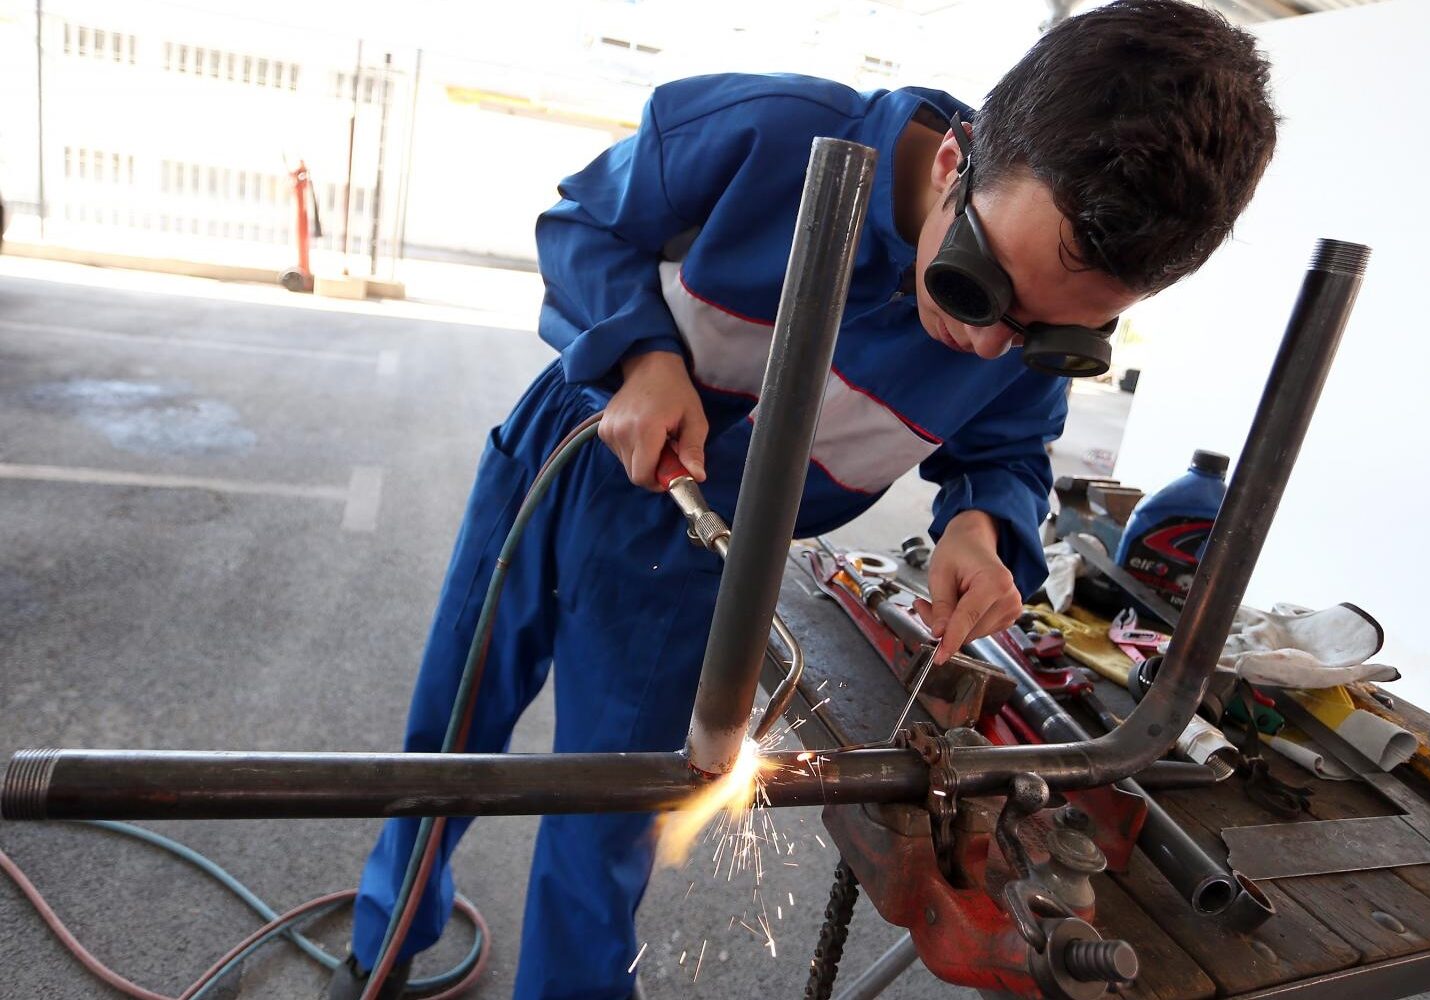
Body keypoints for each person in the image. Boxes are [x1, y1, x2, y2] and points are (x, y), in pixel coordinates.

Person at [329, 1, 1277, 996]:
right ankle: (387, 939)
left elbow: (1006, 448)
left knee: (610, 820)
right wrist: (642, 357)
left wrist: (980, 525)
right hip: (563, 458)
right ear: (953, 163)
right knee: (450, 734)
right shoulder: (764, 135)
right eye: (980, 289)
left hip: (701, 564)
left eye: (1050, 334)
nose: (990, 343)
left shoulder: (1017, 332)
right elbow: (584, 223)